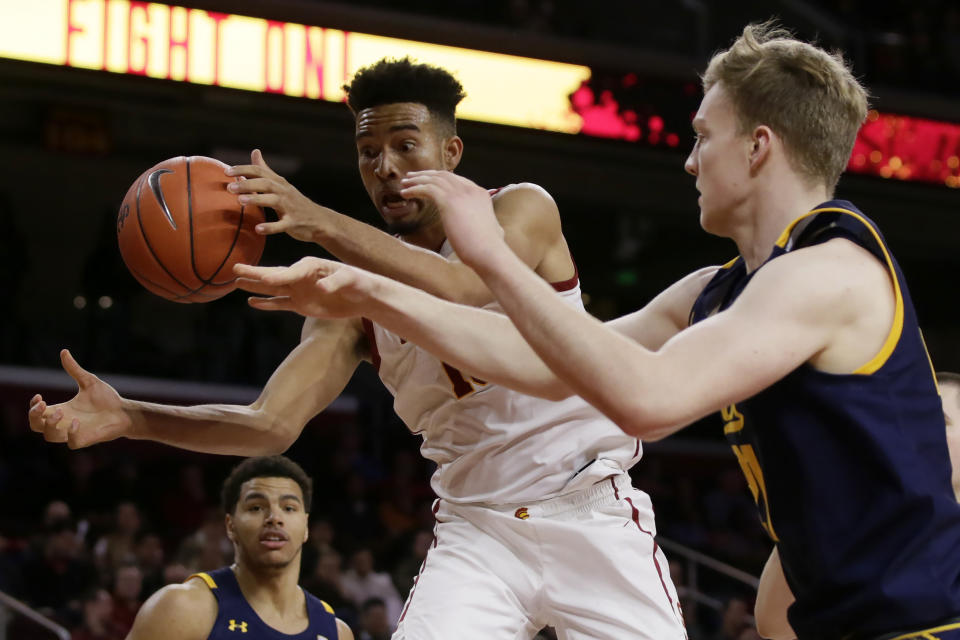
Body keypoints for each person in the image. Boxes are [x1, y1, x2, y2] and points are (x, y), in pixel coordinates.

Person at [231, 24, 960, 640]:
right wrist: (366, 292)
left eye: (704, 136)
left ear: (759, 147)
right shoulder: (718, 293)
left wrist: (487, 255)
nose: (688, 157)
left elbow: (648, 401)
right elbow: (549, 367)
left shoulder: (828, 269)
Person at [29, 58, 686, 638]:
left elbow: (463, 285)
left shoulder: (520, 210)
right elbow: (269, 425)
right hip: (479, 533)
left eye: (405, 145)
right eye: (367, 152)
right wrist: (134, 417)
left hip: (588, 509)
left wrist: (319, 223)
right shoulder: (353, 306)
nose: (386, 167)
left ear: (451, 152)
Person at [123, 455, 353, 640]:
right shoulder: (182, 607)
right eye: (256, 507)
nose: (274, 517)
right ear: (230, 525)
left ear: (305, 527)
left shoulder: (336, 631)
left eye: (289, 508)